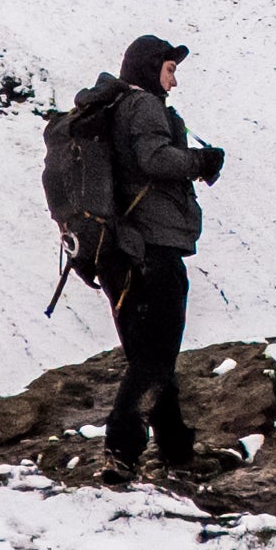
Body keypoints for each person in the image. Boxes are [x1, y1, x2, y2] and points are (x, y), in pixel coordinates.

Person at [99, 34, 224, 480]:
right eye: (169, 70)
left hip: (120, 253)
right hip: (151, 251)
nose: (172, 83)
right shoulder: (145, 106)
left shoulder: (114, 110)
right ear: (150, 69)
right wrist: (201, 161)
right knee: (155, 357)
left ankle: (176, 451)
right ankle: (120, 452)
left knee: (152, 355)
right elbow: (154, 160)